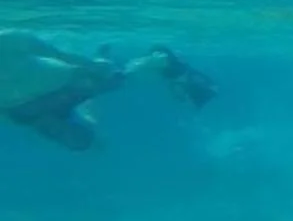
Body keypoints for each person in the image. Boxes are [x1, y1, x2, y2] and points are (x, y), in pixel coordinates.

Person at [0, 31, 215, 150]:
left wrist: (91, 65)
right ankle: (92, 122)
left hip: (64, 82)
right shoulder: (8, 39)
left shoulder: (7, 39)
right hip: (27, 108)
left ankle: (156, 62)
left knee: (115, 78)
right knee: (80, 142)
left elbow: (56, 53)